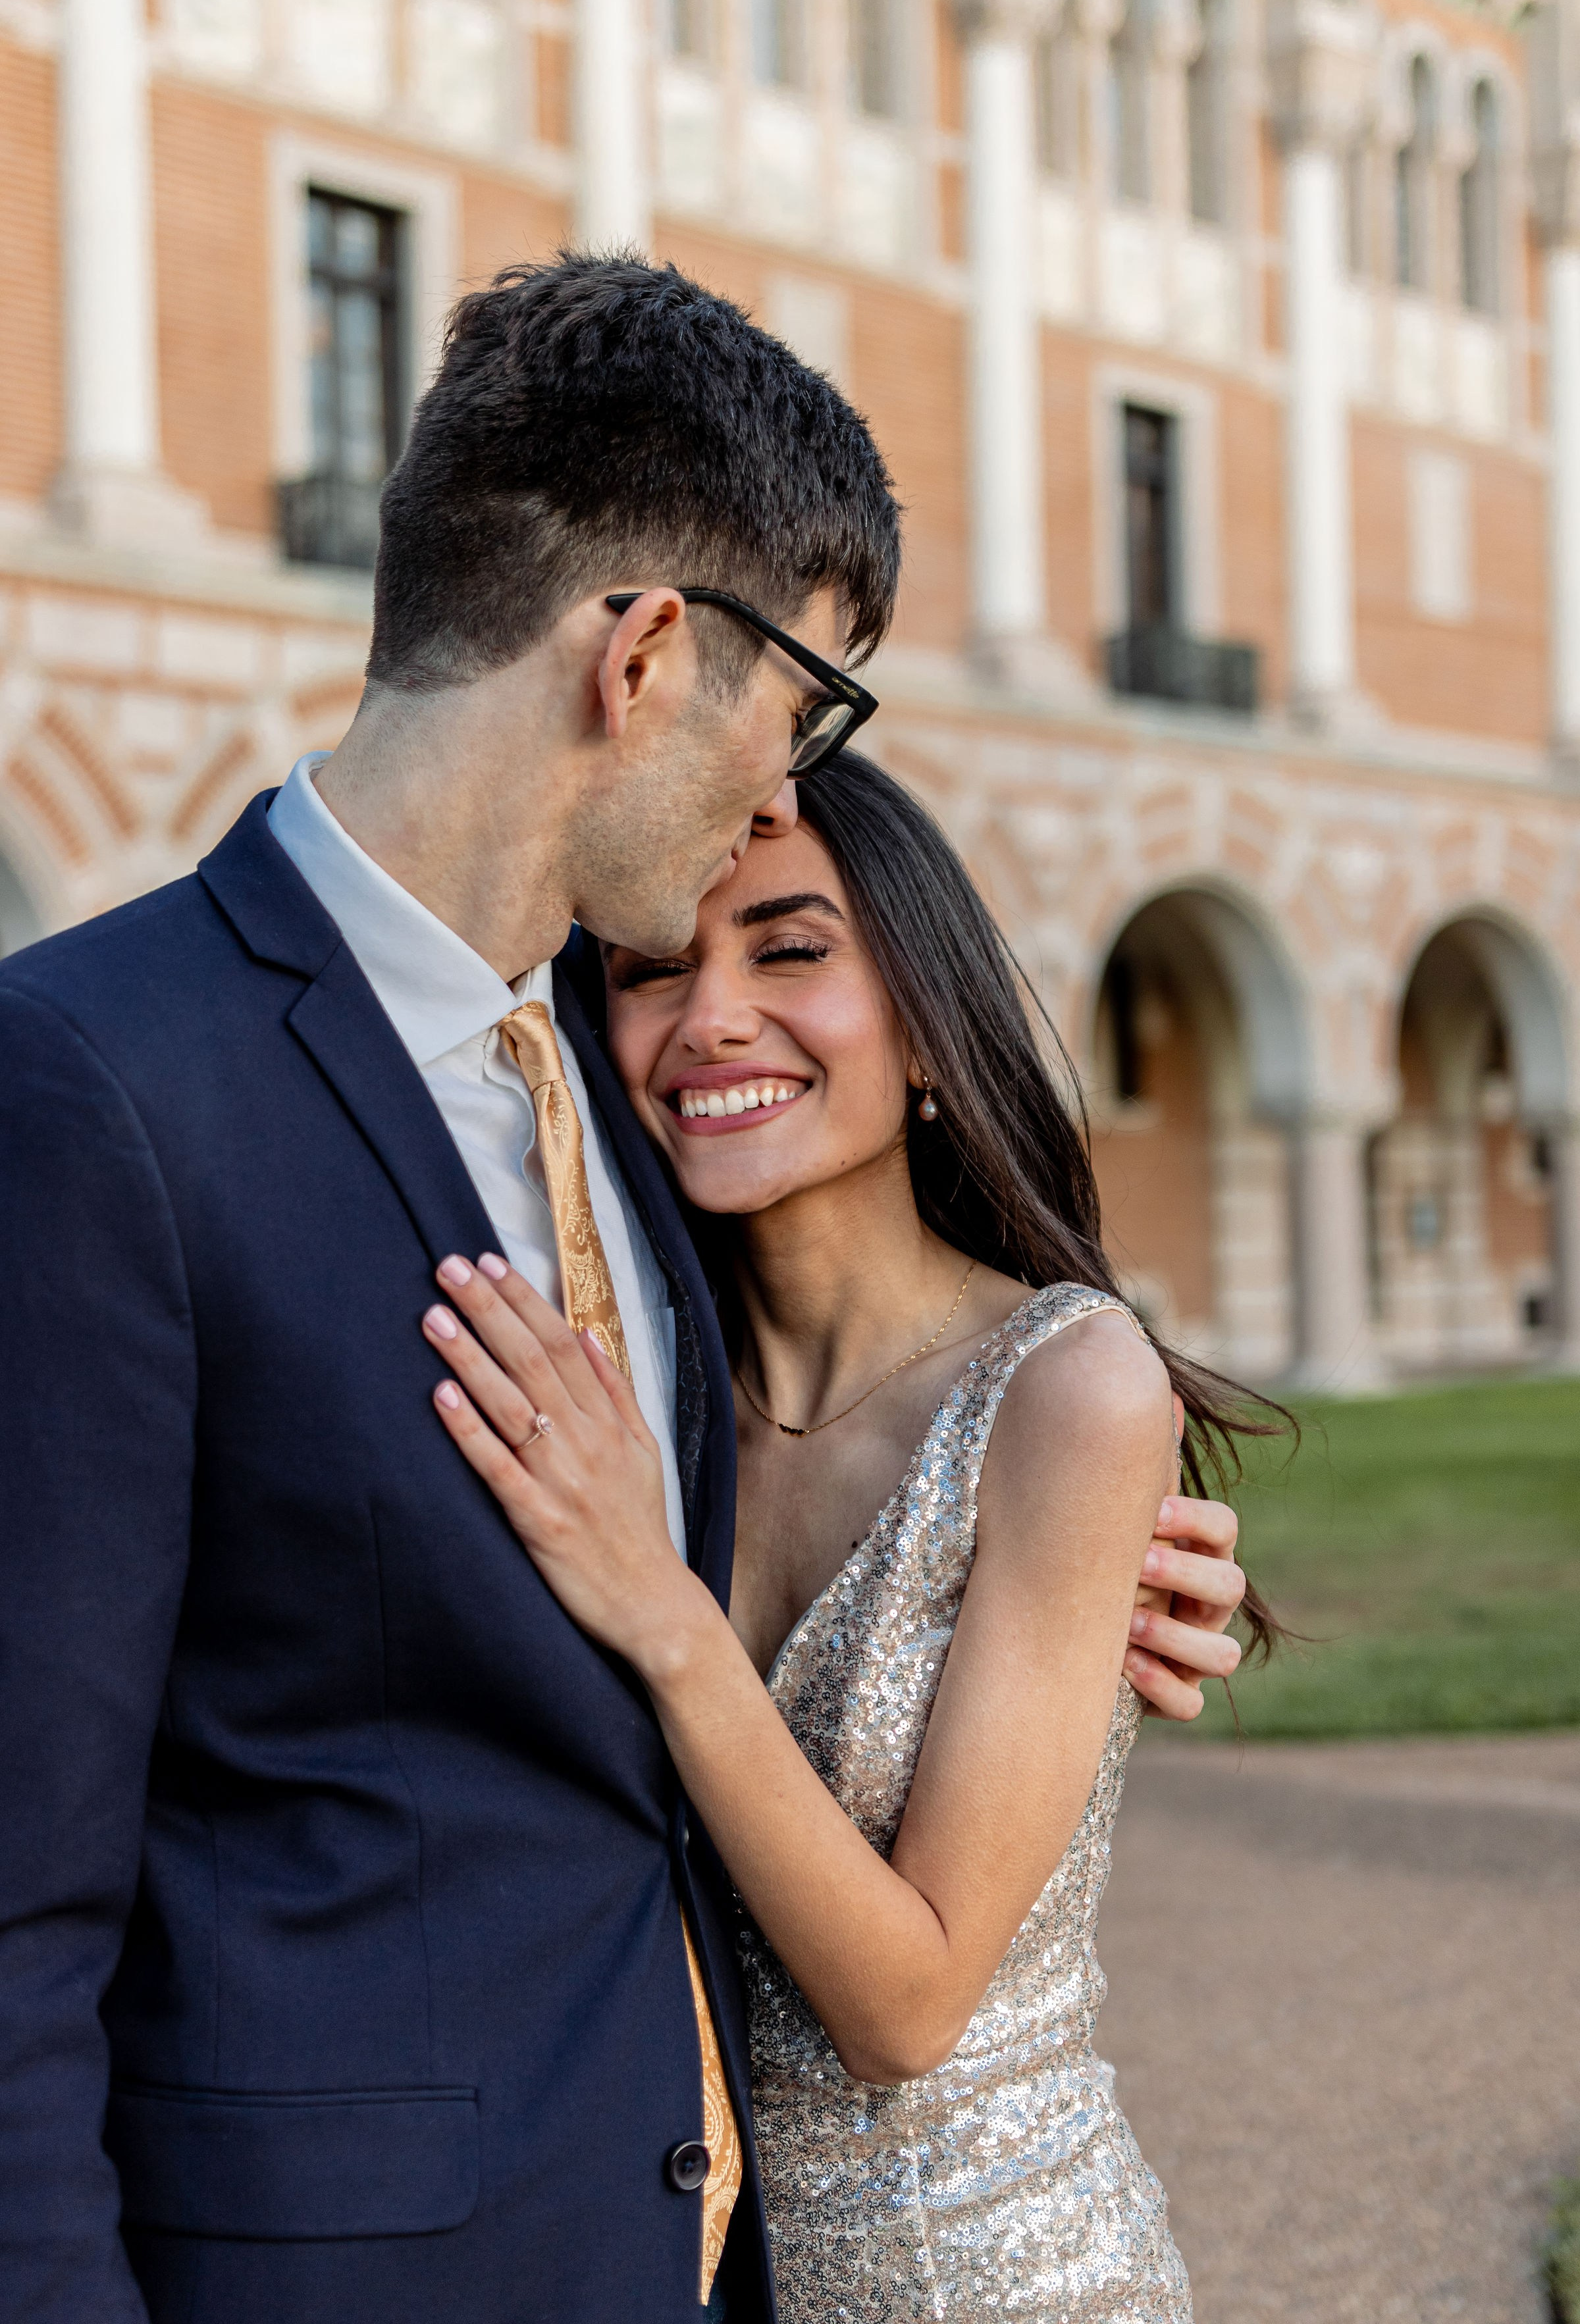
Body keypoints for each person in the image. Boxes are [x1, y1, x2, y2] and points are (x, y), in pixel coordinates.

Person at [0, 255, 1240, 2324]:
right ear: (649, 653)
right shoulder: (93, 1082)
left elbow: (765, 1502)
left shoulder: (632, 1093)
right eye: (802, 709)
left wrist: (1041, 1560)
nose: (786, 795)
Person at [415, 750, 1276, 2319]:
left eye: (791, 950)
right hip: (682, 2267)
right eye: (653, 970)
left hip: (1001, 2278)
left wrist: (660, 1613)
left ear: (930, 1024)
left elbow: (906, 2006)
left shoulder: (1066, 1390)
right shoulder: (637, 1401)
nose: (714, 1016)